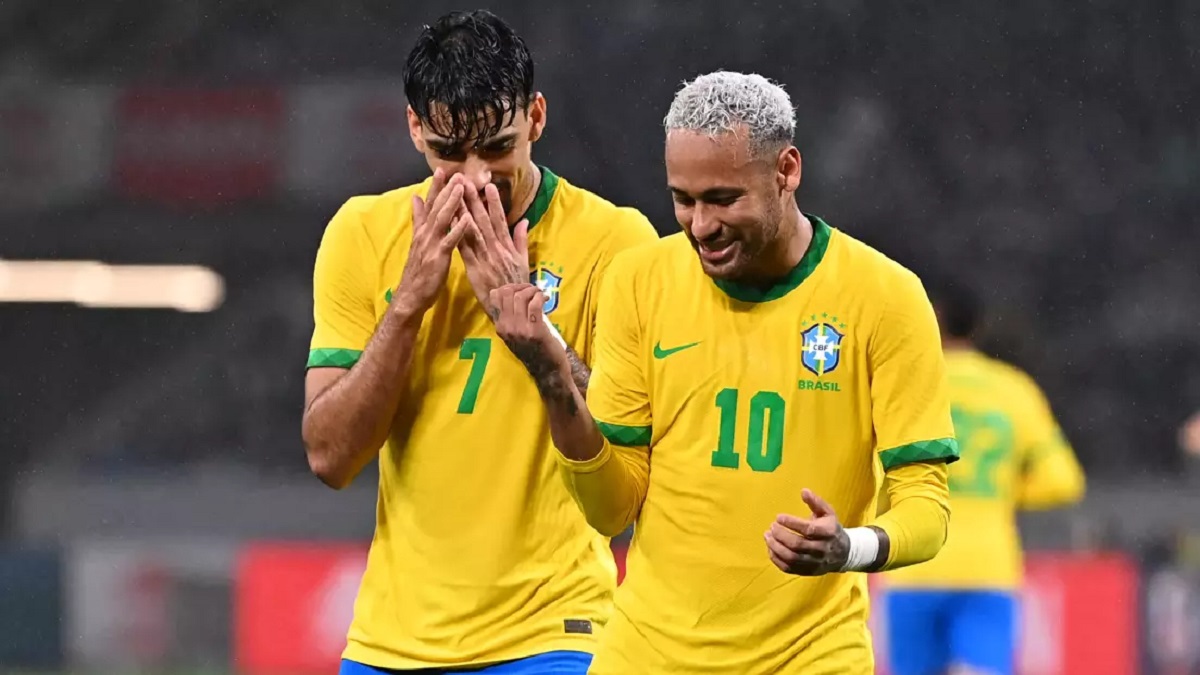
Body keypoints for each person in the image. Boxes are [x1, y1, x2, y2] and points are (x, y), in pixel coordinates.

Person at [486, 70, 959, 674]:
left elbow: (926, 505)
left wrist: (850, 548)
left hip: (810, 657)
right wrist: (553, 377)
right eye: (682, 199)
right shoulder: (639, 280)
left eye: (723, 199)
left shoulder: (885, 297)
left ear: (786, 171)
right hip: (648, 654)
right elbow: (610, 509)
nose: (699, 226)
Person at [301, 10, 658, 674]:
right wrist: (408, 304)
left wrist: (539, 341)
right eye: (447, 151)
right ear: (414, 128)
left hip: (554, 634)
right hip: (390, 644)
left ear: (538, 118)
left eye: (497, 146)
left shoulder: (618, 242)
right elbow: (330, 456)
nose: (473, 176)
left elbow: (635, 457)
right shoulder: (362, 233)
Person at [881, 277, 1086, 675]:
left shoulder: (903, 380)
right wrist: (1002, 492)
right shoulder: (1013, 390)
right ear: (977, 327)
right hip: (988, 566)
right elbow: (1064, 480)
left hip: (911, 561)